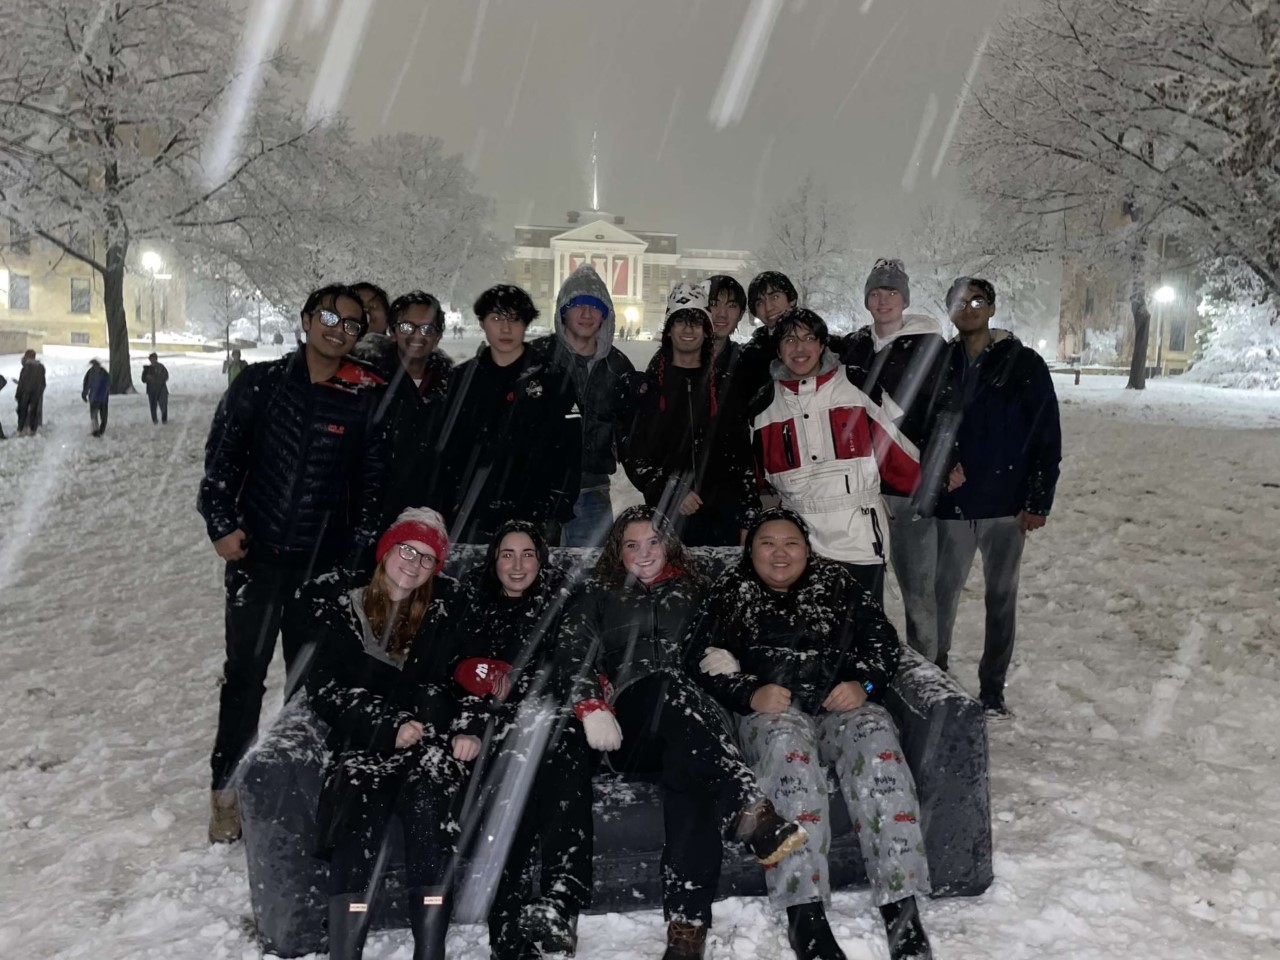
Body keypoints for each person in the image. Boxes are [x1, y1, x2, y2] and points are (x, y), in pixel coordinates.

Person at [557, 505, 808, 960]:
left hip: (696, 729)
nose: (644, 553)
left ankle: (687, 930)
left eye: (653, 542)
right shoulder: (597, 593)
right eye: (632, 545)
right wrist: (590, 705)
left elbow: (748, 637)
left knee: (690, 771)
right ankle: (749, 807)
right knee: (668, 684)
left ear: (669, 544)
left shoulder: (700, 589)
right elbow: (570, 652)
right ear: (617, 551)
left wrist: (734, 660)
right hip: (629, 728)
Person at [196, 283, 390, 843]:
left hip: (319, 571)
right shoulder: (260, 383)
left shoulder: (364, 396)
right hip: (256, 561)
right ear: (306, 319)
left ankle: (299, 790)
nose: (338, 329)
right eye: (329, 316)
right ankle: (226, 792)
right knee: (244, 679)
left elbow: (373, 489)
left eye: (351, 323)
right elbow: (221, 462)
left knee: (312, 686)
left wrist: (353, 561)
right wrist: (221, 525)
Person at [704, 509, 933, 960]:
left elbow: (883, 643)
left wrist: (864, 684)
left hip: (837, 706)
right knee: (789, 754)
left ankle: (901, 904)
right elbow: (700, 657)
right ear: (751, 550)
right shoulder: (730, 591)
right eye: (767, 543)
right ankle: (804, 913)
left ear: (807, 550)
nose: (780, 553)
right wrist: (749, 691)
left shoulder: (838, 584)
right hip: (773, 713)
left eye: (791, 543)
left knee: (876, 735)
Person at [305, 508, 471, 960]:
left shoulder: (447, 612)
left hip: (427, 745)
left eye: (427, 558)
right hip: (362, 745)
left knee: (428, 809)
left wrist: (442, 720)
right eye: (407, 551)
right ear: (386, 551)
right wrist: (387, 725)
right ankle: (346, 950)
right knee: (358, 810)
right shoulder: (344, 609)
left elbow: (458, 682)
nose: (414, 565)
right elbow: (324, 689)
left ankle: (430, 950)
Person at [918, 278, 1061, 720]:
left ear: (992, 308)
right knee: (942, 595)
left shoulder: (1023, 363)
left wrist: (1038, 499)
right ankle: (937, 675)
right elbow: (924, 424)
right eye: (960, 302)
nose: (970, 308)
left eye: (978, 300)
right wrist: (942, 465)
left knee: (1001, 599)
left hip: (1005, 505)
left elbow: (1047, 432)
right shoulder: (940, 363)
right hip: (954, 504)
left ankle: (992, 688)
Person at [449, 521, 592, 959]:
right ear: (494, 560)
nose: (517, 565)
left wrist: (516, 680)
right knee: (509, 783)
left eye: (527, 554)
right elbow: (454, 672)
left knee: (560, 760)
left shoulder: (562, 602)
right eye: (507, 554)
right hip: (491, 727)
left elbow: (572, 664)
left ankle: (559, 903)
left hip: (552, 720)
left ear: (541, 560)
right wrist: (479, 705)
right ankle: (508, 928)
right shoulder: (472, 603)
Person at [747, 308, 920, 605]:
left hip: (859, 539)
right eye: (789, 340)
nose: (799, 348)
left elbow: (899, 448)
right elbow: (758, 480)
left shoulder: (856, 385)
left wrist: (930, 482)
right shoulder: (763, 405)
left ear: (822, 344)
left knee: (862, 627)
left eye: (808, 338)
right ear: (778, 349)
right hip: (798, 545)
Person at [842, 259, 948, 662]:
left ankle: (927, 668)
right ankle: (872, 664)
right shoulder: (853, 346)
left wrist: (943, 465)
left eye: (891, 292)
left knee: (918, 589)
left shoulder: (930, 346)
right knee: (863, 589)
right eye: (875, 292)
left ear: (905, 299)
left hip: (910, 481)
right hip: (861, 486)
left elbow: (947, 409)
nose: (883, 300)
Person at [431, 284, 581, 546]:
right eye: (496, 318)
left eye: (514, 319)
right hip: (470, 517)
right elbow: (445, 451)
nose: (505, 328)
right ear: (482, 323)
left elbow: (570, 450)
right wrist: (448, 504)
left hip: (534, 514)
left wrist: (554, 508)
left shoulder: (553, 379)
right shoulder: (461, 380)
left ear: (525, 324)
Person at [622, 282, 757, 547]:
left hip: (723, 520)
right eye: (680, 321)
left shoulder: (726, 387)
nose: (688, 329)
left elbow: (742, 458)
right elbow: (634, 456)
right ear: (669, 330)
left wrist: (748, 516)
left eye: (696, 322)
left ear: (706, 331)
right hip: (668, 521)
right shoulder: (649, 389)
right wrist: (669, 489)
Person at [537, 264, 636, 548]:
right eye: (577, 304)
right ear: (563, 312)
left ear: (605, 314)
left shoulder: (618, 367)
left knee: (589, 570)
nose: (586, 313)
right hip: (541, 491)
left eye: (595, 306)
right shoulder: (538, 359)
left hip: (594, 492)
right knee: (535, 569)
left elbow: (633, 433)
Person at [377, 291, 454, 526]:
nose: (417, 335)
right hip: (379, 507)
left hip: (434, 511)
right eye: (407, 327)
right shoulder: (373, 381)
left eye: (428, 329)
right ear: (392, 331)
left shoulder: (453, 384)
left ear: (438, 336)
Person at [735, 271, 799, 403]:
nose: (768, 308)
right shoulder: (749, 357)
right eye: (760, 303)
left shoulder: (824, 344)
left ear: (792, 299)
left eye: (774, 297)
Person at [707, 275, 748, 398]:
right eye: (714, 304)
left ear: (741, 315)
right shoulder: (674, 358)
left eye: (731, 306)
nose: (722, 314)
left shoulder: (746, 363)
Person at [15, 348, 46, 436]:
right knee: (34, 411)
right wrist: (40, 391)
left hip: (25, 394)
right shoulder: (40, 367)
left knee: (23, 411)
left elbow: (22, 383)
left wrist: (18, 395)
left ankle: (22, 429)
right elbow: (42, 382)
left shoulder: (26, 368)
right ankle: (33, 429)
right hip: (36, 393)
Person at [81, 358, 110, 437]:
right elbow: (108, 383)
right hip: (102, 398)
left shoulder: (91, 373)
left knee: (95, 415)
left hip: (96, 398)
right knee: (102, 416)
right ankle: (99, 430)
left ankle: (97, 430)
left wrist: (84, 393)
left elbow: (86, 384)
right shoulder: (103, 372)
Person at [141, 352, 170, 424]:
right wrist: (147, 377)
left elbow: (166, 376)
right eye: (150, 359)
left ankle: (164, 420)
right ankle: (155, 420)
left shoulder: (161, 367)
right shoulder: (147, 369)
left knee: (163, 405)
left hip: (161, 389)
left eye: (153, 359)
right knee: (153, 406)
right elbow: (143, 380)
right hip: (151, 390)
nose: (152, 360)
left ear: (156, 359)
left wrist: (157, 380)